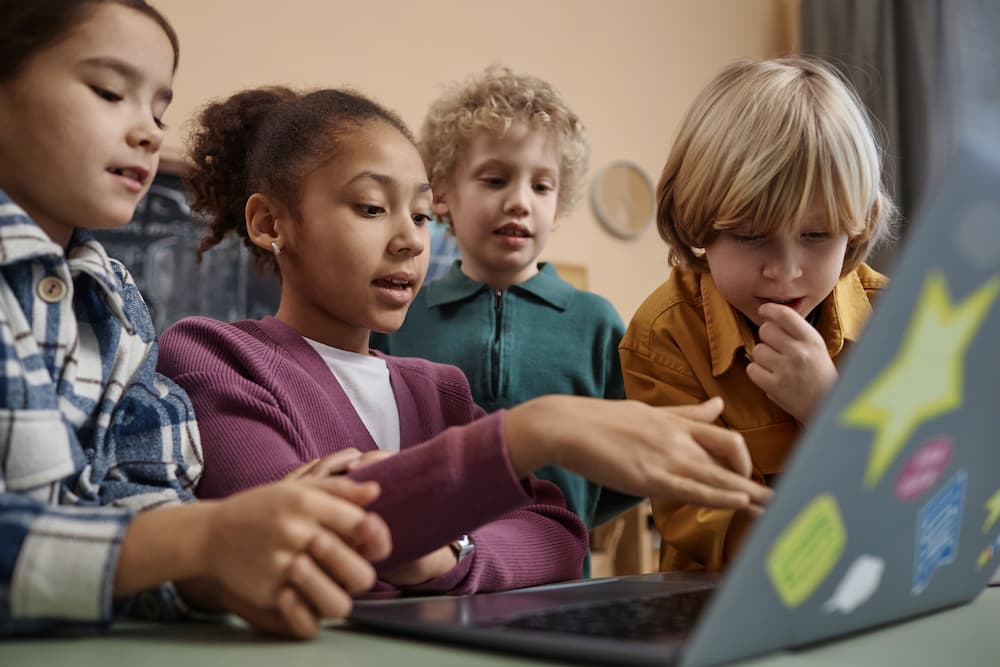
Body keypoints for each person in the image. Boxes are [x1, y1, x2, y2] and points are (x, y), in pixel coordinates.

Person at [156, 85, 772, 597]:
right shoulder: (214, 356)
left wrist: (450, 552)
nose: (409, 240)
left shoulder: (437, 390)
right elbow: (300, 539)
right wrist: (533, 433)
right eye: (371, 208)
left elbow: (559, 534)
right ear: (270, 224)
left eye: (421, 215)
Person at [0, 0, 393, 640]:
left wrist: (218, 568)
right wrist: (199, 540)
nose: (152, 132)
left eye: (159, 109)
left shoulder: (116, 303)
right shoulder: (214, 352)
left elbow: (144, 500)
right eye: (109, 92)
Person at [619, 57, 897, 573]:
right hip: (718, 615)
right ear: (695, 226)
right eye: (750, 237)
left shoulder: (895, 322)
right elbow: (707, 527)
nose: (787, 273)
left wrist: (826, 411)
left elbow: (924, 504)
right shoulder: (663, 336)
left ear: (857, 229)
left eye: (817, 236)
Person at [370, 68, 636, 567]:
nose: (519, 201)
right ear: (443, 193)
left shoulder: (596, 323)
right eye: (495, 180)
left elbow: (634, 459)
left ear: (559, 205)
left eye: (541, 186)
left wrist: (573, 516)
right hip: (427, 581)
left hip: (555, 584)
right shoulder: (400, 319)